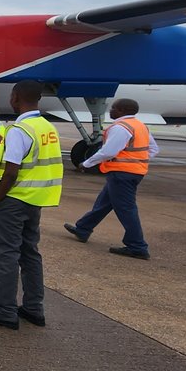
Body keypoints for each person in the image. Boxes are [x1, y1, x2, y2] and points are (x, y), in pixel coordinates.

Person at [0, 80, 63, 330]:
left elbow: (10, 172)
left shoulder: (19, 130)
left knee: (6, 256)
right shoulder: (46, 127)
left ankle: (5, 311)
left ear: (16, 97)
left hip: (12, 202)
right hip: (35, 201)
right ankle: (34, 308)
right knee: (30, 253)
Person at [64, 98, 157, 260]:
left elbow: (108, 151)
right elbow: (153, 149)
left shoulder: (121, 128)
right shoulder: (140, 126)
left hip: (121, 174)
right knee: (104, 202)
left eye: (113, 108)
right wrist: (136, 161)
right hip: (134, 173)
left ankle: (137, 246)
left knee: (126, 209)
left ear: (122, 110)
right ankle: (83, 228)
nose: (111, 110)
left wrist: (86, 163)